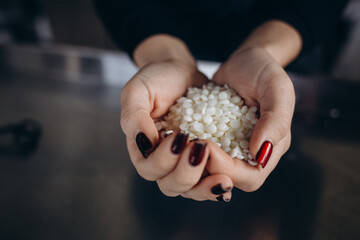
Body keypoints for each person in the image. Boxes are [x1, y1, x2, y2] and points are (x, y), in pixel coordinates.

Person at [93, 0, 348, 202]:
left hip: (283, 50)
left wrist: (266, 50)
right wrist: (165, 55)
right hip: (156, 31)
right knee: (161, 192)